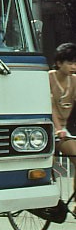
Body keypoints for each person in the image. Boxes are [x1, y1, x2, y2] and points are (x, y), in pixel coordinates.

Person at [50, 42, 76, 193]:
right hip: (48, 128)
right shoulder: (49, 77)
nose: (73, 67)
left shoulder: (74, 80)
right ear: (59, 63)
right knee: (46, 166)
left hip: (62, 131)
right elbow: (50, 105)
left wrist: (61, 130)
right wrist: (58, 129)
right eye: (70, 63)